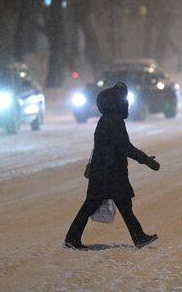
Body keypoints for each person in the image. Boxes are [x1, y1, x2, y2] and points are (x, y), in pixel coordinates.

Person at [65, 82, 161, 250]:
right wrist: (145, 160)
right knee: (107, 205)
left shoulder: (107, 120)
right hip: (110, 173)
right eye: (124, 101)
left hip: (103, 171)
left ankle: (138, 237)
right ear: (115, 103)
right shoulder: (114, 121)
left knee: (113, 205)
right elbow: (124, 147)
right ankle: (72, 238)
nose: (126, 104)